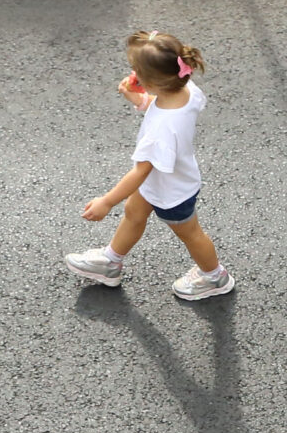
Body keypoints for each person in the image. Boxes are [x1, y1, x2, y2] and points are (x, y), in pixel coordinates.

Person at [65, 30, 232, 301]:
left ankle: (214, 277)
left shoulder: (160, 132)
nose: (133, 73)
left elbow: (140, 172)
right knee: (133, 212)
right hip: (168, 179)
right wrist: (140, 99)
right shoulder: (186, 89)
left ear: (152, 83)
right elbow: (163, 104)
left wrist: (106, 201)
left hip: (171, 193)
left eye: (137, 71)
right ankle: (110, 261)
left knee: (191, 234)